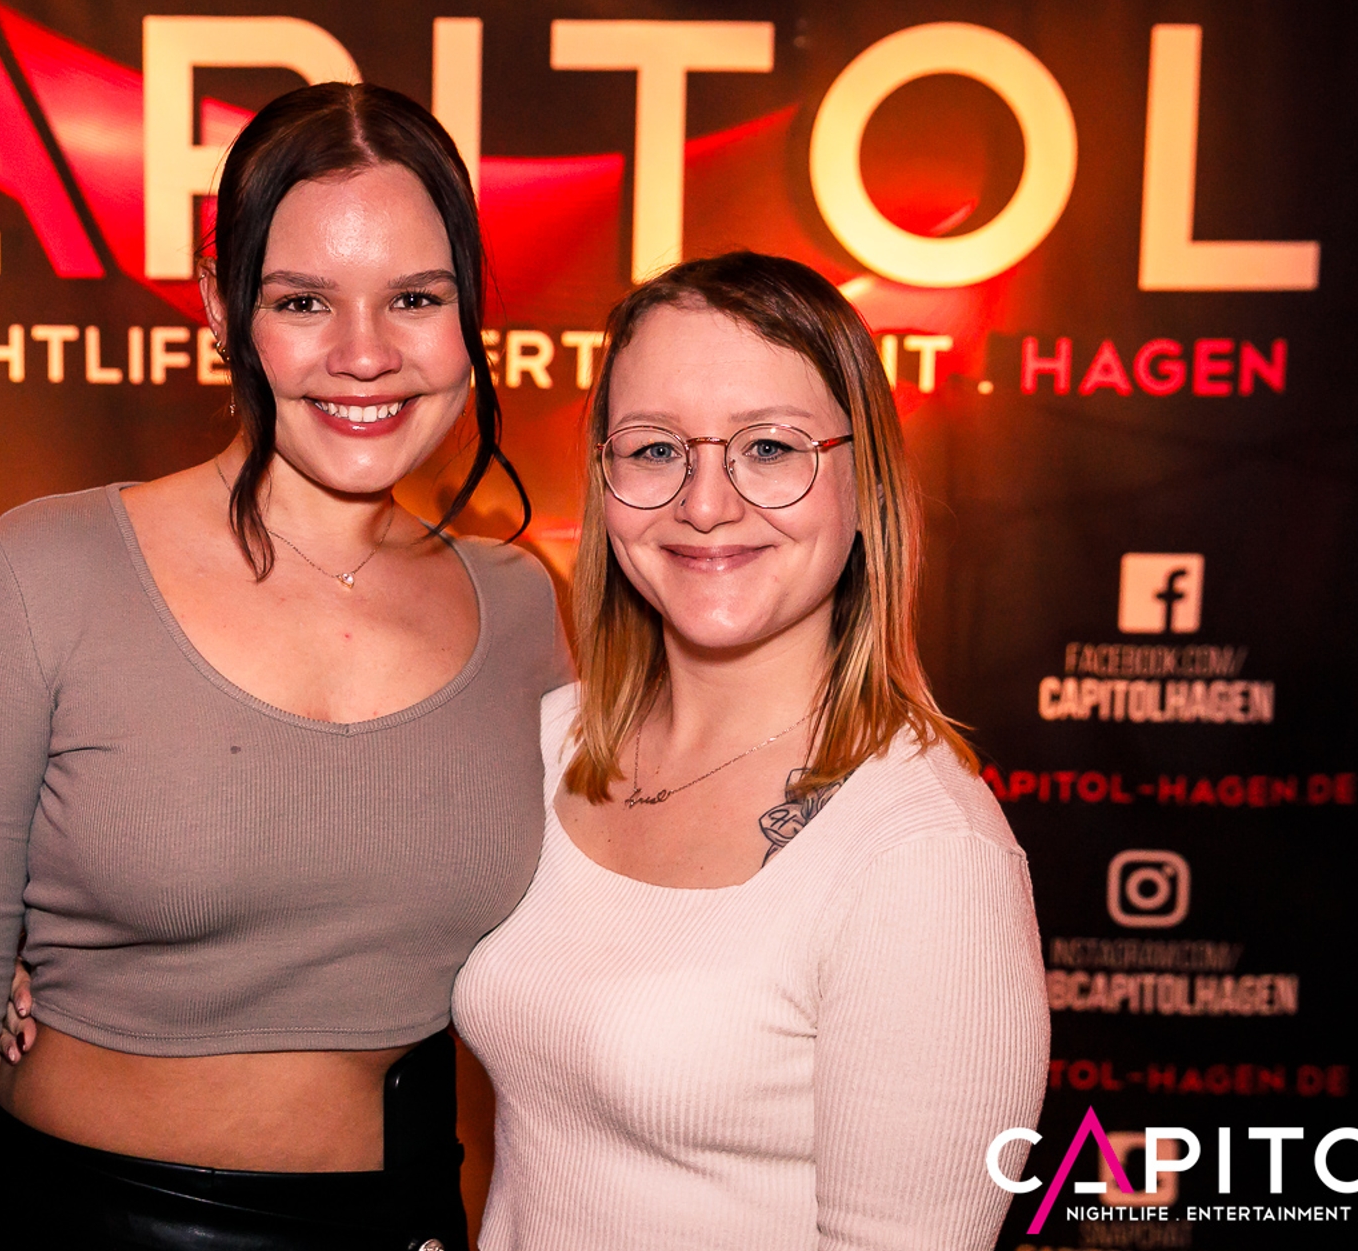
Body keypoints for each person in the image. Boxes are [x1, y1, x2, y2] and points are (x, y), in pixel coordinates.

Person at [0, 82, 568, 1251]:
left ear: (467, 309)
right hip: (84, 1226)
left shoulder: (527, 609)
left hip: (407, 1222)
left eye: (415, 298)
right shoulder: (49, 572)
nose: (365, 354)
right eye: (302, 301)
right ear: (221, 306)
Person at [449, 251, 1050, 1249]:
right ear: (602, 478)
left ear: (863, 480)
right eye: (654, 449)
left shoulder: (924, 853)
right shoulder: (550, 742)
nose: (705, 503)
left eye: (768, 447)